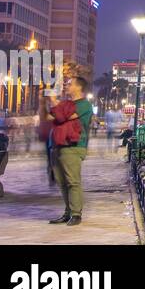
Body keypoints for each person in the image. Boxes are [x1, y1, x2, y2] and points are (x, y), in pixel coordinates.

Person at [45, 74, 93, 226]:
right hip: (58, 145)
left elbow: (60, 118)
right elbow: (50, 118)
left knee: (72, 181)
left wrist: (54, 102)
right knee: (61, 181)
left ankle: (76, 214)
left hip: (73, 146)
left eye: (69, 83)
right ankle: (68, 212)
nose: (66, 85)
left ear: (79, 87)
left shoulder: (84, 105)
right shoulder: (66, 104)